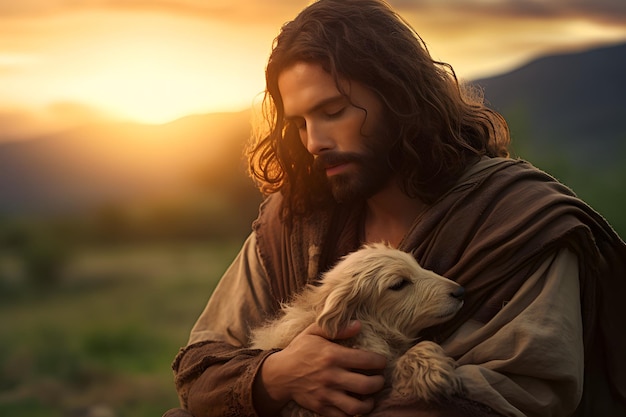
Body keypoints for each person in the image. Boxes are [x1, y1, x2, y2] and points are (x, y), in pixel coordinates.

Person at [163, 1, 626, 416]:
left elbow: (527, 392)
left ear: (398, 97)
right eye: (300, 122)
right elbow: (202, 372)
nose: (314, 142)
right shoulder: (294, 223)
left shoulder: (517, 221)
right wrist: (277, 376)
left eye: (334, 111)